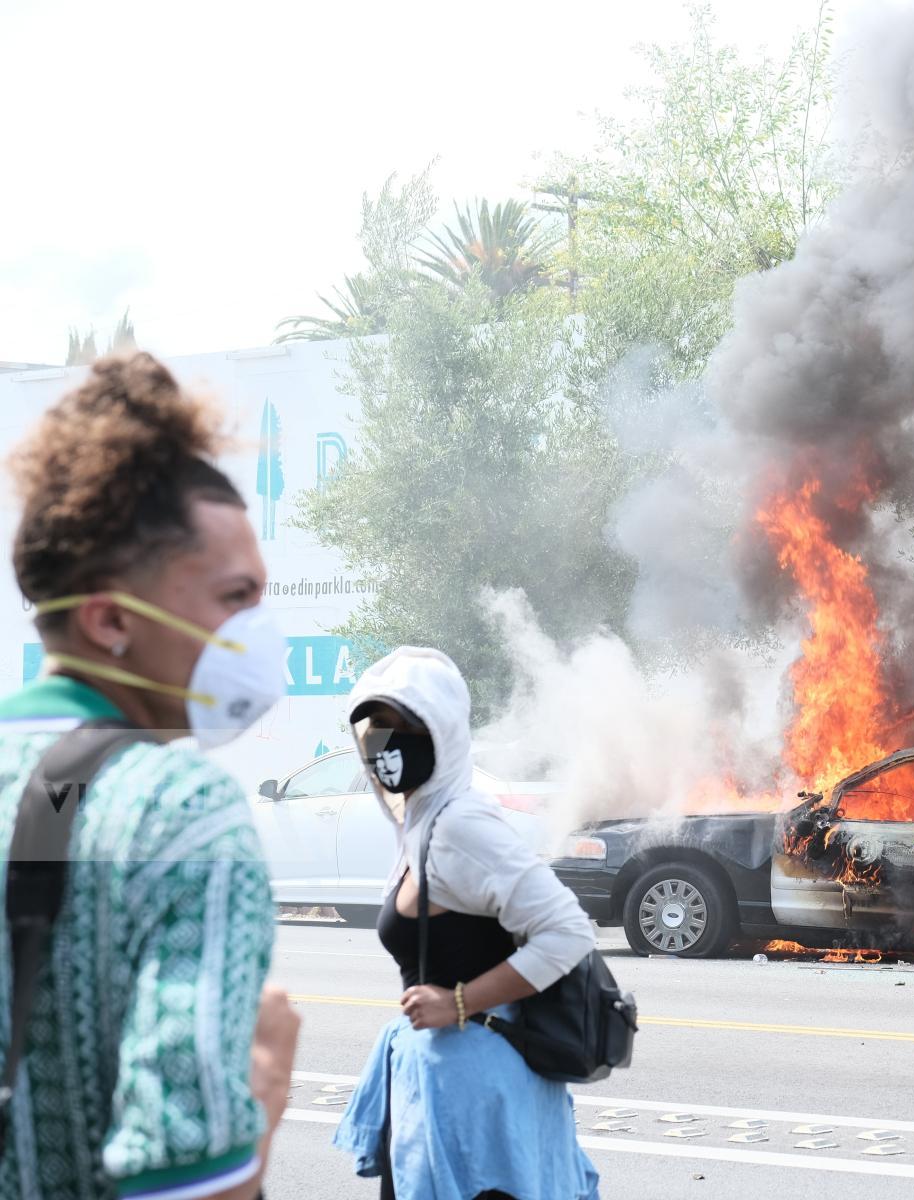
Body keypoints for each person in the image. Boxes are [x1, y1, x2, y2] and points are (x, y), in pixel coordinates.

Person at [0, 352, 301, 1199]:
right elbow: (189, 1180)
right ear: (110, 622)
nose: (258, 631)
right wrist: (264, 1094)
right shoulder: (182, 813)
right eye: (235, 597)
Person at [331, 647, 599, 1200]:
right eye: (376, 726)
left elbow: (568, 933)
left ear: (443, 731)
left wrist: (458, 1002)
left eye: (404, 725)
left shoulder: (460, 824)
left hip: (484, 1100)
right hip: (441, 1088)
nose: (386, 741)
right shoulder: (420, 822)